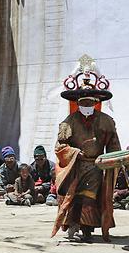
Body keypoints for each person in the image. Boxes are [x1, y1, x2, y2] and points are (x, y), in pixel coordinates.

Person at [51, 58, 121, 243]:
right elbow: (60, 146)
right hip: (74, 166)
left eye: (91, 103)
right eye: (84, 103)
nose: (87, 106)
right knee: (71, 197)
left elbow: (114, 145)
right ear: (78, 103)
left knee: (89, 197)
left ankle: (88, 228)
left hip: (96, 167)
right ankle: (73, 225)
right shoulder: (69, 121)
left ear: (96, 102)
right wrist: (74, 153)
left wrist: (111, 161)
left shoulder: (106, 121)